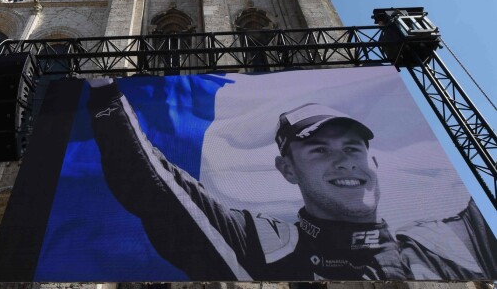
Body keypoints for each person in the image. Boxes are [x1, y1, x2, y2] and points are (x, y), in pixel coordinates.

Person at [87, 78, 496, 281]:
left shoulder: (457, 236)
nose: (343, 162)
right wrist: (105, 93)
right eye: (318, 150)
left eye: (352, 149)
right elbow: (151, 185)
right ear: (287, 169)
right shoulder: (261, 246)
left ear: (374, 160)